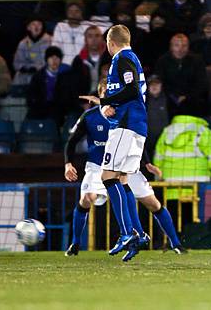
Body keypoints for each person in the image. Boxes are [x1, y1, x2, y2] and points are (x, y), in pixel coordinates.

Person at [64, 79, 186, 256]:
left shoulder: (125, 114)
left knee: (152, 203)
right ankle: (75, 244)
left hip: (126, 167)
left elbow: (137, 139)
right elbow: (72, 141)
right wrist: (68, 164)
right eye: (106, 94)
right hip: (99, 167)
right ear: (100, 95)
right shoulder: (89, 117)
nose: (109, 97)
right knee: (87, 198)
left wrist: (147, 163)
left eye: (112, 93)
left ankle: (176, 243)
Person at [79, 25, 148, 262]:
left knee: (107, 177)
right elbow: (131, 91)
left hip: (126, 127)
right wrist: (111, 105)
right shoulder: (131, 59)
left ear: (110, 43)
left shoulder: (122, 58)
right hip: (136, 126)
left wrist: (105, 99)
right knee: (121, 179)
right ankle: (137, 234)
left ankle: (128, 233)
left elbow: (131, 91)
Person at [154, 33, 208, 117]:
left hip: (192, 99)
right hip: (169, 99)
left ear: (188, 47)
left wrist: (186, 96)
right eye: (177, 45)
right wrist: (173, 96)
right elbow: (161, 82)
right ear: (171, 47)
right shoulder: (162, 61)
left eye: (184, 46)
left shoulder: (197, 61)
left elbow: (201, 84)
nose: (180, 49)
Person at [13, 16, 51, 86]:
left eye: (39, 24)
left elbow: (52, 63)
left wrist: (37, 68)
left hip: (43, 78)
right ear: (28, 27)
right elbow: (16, 63)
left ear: (43, 27)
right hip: (25, 79)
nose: (36, 27)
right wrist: (24, 68)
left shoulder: (51, 42)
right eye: (33, 24)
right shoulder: (23, 43)